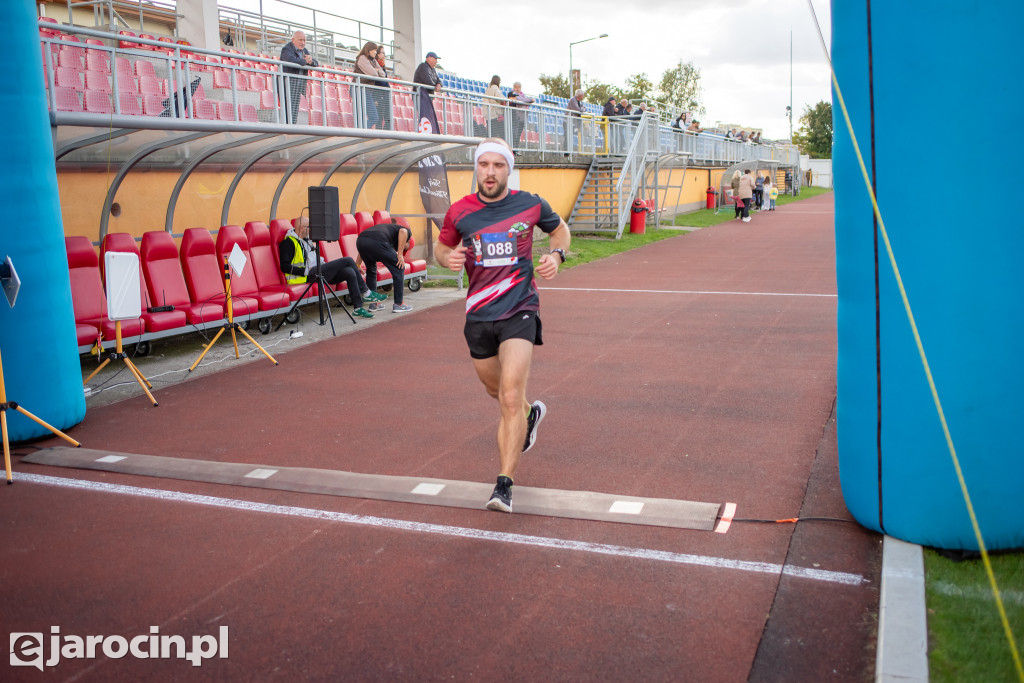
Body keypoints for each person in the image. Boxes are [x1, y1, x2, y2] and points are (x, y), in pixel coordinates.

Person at [433, 138, 571, 513]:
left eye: (498, 165)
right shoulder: (460, 212)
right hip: (478, 315)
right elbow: (441, 247)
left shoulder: (530, 204)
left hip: (520, 309)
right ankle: (531, 415)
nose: (490, 172)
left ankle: (503, 485)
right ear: (476, 168)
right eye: (484, 165)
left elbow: (560, 230)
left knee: (509, 397)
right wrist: (447, 257)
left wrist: (556, 255)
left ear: (508, 169)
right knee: (498, 392)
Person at [278, 217, 384, 319]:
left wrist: (327, 266)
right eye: (309, 227)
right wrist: (306, 271)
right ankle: (366, 293)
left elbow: (314, 258)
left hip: (319, 270)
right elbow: (284, 266)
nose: (311, 229)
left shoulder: (307, 240)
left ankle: (358, 308)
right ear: (301, 228)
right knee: (348, 260)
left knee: (350, 271)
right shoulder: (288, 243)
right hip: (307, 275)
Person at [355, 222, 413, 313]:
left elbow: (368, 243)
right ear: (408, 241)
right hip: (378, 241)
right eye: (406, 248)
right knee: (399, 267)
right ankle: (399, 304)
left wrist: (357, 264)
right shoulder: (406, 233)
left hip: (361, 240)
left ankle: (374, 304)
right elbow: (403, 231)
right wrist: (400, 254)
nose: (400, 249)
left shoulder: (390, 233)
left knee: (371, 270)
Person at [280, 31, 318, 124]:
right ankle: (286, 130)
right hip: (287, 85)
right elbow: (292, 60)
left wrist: (310, 61)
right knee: (288, 110)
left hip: (298, 86)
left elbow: (315, 63)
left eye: (304, 40)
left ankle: (292, 128)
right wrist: (305, 61)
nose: (303, 43)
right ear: (293, 40)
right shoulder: (286, 49)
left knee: (294, 110)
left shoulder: (304, 51)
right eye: (300, 40)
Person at [355, 41, 386, 129]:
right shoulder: (362, 58)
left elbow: (383, 74)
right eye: (374, 50)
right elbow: (373, 74)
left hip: (367, 91)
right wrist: (376, 71)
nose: (376, 52)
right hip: (359, 90)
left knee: (371, 117)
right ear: (369, 50)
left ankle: (360, 132)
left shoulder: (373, 60)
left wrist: (376, 71)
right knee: (373, 117)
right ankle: (361, 133)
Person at [507, 82, 535, 146]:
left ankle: (516, 149)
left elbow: (524, 99)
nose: (517, 88)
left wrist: (527, 100)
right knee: (514, 133)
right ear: (513, 87)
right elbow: (520, 99)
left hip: (522, 117)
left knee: (519, 134)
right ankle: (513, 148)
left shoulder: (523, 94)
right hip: (515, 116)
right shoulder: (512, 93)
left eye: (519, 87)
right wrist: (530, 99)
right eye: (516, 87)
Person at [374, 46, 393, 131]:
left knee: (388, 117)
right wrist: (375, 99)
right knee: (379, 117)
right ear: (378, 54)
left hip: (385, 94)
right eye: (383, 53)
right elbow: (375, 82)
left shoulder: (382, 66)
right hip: (378, 94)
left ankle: (386, 134)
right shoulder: (374, 65)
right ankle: (379, 136)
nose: (384, 55)